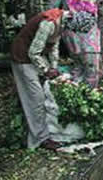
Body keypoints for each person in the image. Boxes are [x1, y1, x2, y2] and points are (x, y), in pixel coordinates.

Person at [10, 9, 67, 150]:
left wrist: (54, 67)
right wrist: (46, 70)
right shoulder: (48, 23)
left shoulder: (62, 22)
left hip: (33, 58)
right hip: (22, 57)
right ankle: (40, 139)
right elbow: (33, 52)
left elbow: (54, 46)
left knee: (37, 96)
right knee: (36, 98)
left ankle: (37, 132)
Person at [49, 0, 103, 88]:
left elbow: (52, 7)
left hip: (71, 36)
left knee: (77, 65)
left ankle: (77, 90)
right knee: (91, 68)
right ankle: (91, 93)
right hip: (90, 37)